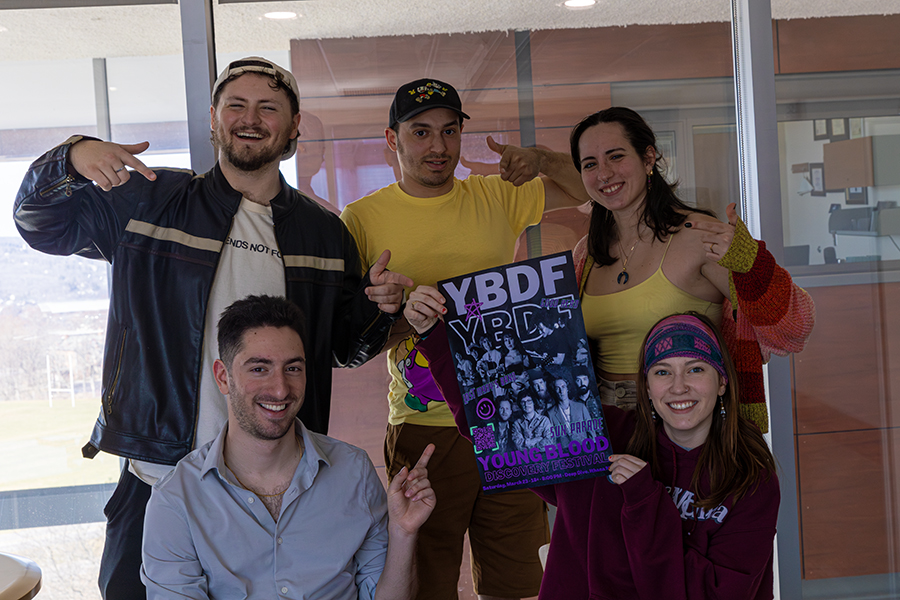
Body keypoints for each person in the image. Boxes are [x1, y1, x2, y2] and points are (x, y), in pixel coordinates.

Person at [13, 57, 410, 599]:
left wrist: (380, 309)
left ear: (294, 126)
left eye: (269, 108)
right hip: (157, 475)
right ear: (213, 119)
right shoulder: (150, 201)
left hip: (275, 489)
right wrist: (72, 155)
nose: (251, 118)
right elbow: (38, 223)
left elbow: (339, 349)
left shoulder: (323, 233)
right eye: (236, 105)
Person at [340, 77, 590, 600]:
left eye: (450, 132)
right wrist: (393, 313)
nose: (438, 146)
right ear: (392, 138)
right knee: (426, 578)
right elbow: (352, 339)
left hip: (513, 415)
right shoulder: (361, 219)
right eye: (421, 132)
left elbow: (594, 186)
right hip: (423, 424)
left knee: (522, 578)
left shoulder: (497, 196)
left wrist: (541, 159)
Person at [405, 292, 780, 600]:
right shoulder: (602, 435)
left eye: (696, 369)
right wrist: (433, 336)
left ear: (722, 383)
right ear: (647, 388)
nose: (679, 387)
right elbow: (497, 423)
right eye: (663, 372)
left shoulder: (750, 476)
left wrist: (644, 501)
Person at [141, 295, 435, 600]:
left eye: (293, 368)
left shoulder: (355, 470)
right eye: (259, 369)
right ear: (223, 376)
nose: (281, 389)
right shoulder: (175, 500)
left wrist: (403, 533)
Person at [569, 107, 814, 428]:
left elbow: (793, 330)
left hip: (685, 425)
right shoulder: (586, 255)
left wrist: (750, 262)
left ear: (648, 158)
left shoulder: (700, 235)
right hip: (605, 428)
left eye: (615, 157)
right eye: (590, 164)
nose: (603, 174)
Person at [546, 374, 591, 446]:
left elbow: (591, 431)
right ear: (554, 391)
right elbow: (553, 439)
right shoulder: (550, 413)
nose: (561, 391)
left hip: (585, 448)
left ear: (567, 388)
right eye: (558, 388)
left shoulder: (581, 407)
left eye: (563, 387)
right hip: (566, 453)